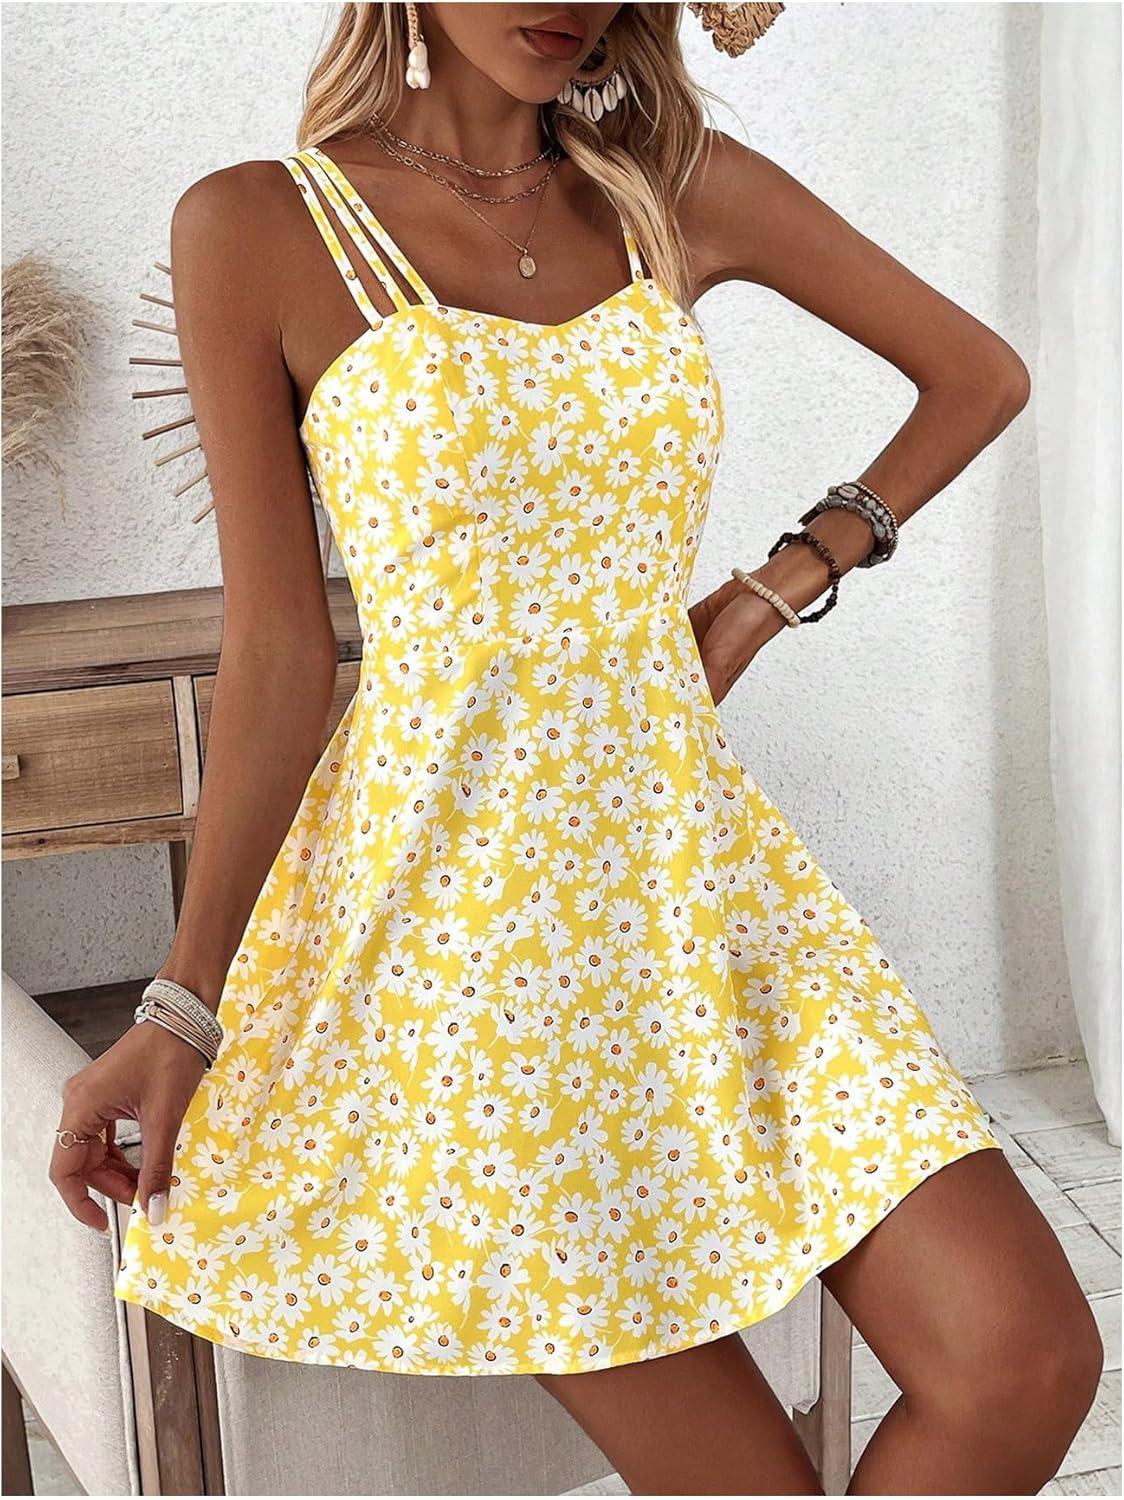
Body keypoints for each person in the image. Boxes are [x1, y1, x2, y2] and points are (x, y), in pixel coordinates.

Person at [52, 4, 1102, 1493]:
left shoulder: (677, 190)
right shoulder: (259, 225)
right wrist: (183, 1003)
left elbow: (977, 373)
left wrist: (774, 588)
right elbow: (280, 650)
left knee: (1024, 1362)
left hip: (696, 880)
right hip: (465, 954)